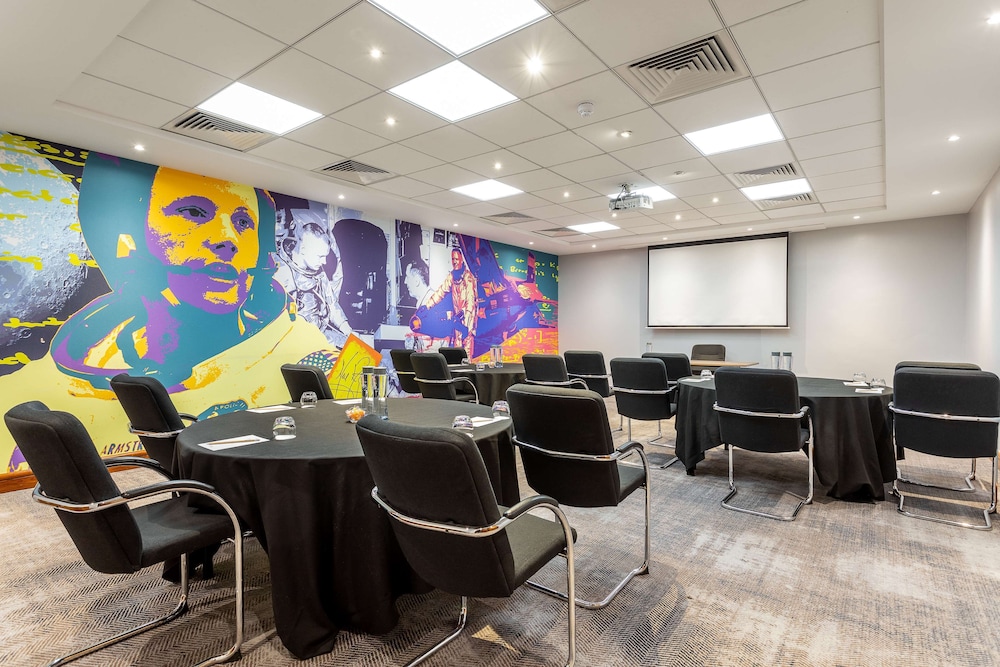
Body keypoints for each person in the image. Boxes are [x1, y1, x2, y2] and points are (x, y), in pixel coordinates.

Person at [0, 153, 336, 472]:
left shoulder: (312, 353)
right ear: (132, 236)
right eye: (193, 212)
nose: (228, 239)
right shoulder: (31, 389)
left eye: (244, 222)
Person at [274, 207, 353, 346]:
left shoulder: (318, 272)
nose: (325, 262)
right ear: (303, 249)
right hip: (295, 340)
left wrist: (348, 330)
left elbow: (332, 304)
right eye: (320, 256)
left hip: (320, 334)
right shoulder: (281, 270)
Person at [423, 247, 477, 359]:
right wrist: (427, 305)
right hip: (458, 318)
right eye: (453, 259)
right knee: (457, 348)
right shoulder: (452, 277)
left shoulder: (468, 278)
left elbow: (470, 302)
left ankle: (467, 367)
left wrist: (466, 323)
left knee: (466, 349)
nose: (455, 262)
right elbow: (441, 292)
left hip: (467, 319)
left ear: (461, 260)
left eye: (457, 259)